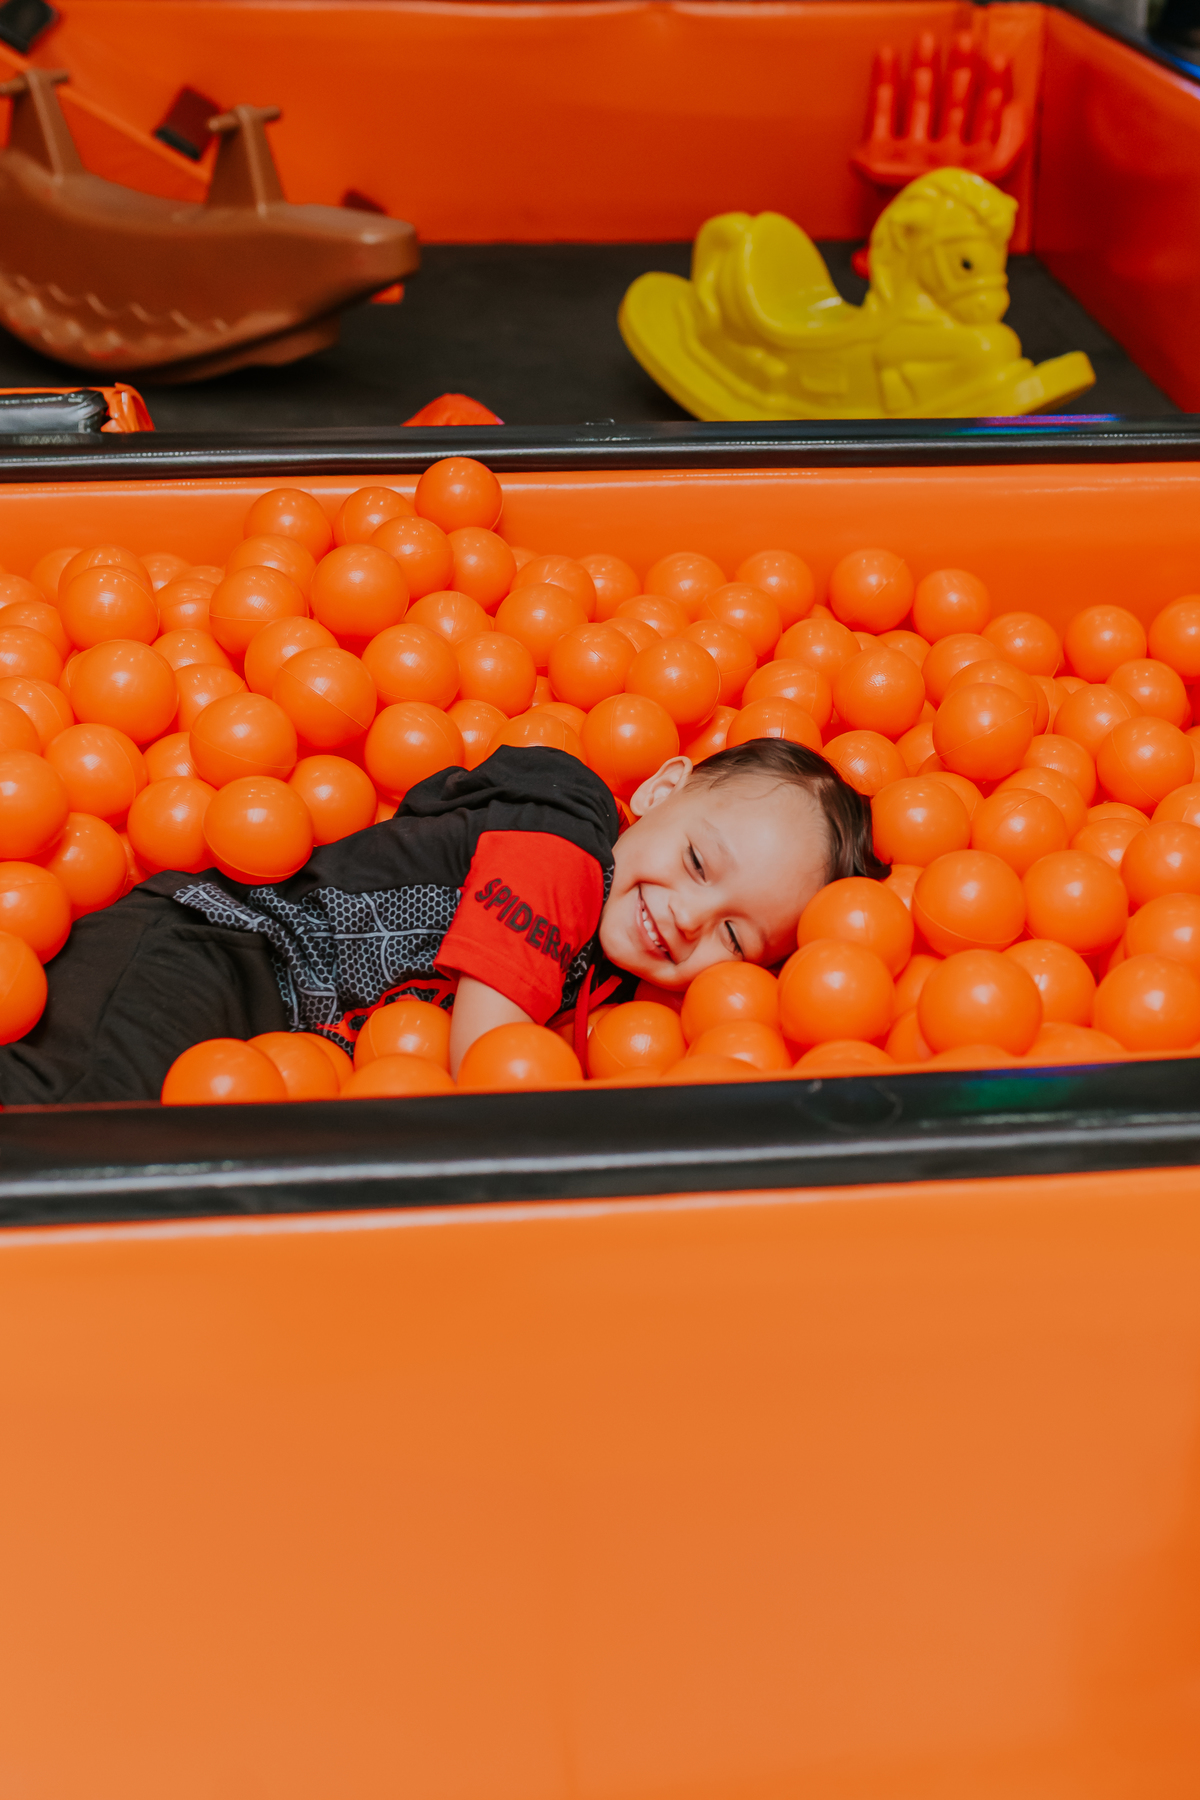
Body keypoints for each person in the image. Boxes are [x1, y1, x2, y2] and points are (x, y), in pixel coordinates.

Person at [0, 738, 885, 1104]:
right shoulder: (565, 825)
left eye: (736, 938)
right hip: (215, 951)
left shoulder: (623, 1000)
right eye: (697, 863)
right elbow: (488, 1061)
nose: (689, 919)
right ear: (658, 792)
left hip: (269, 1060)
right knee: (87, 1135)